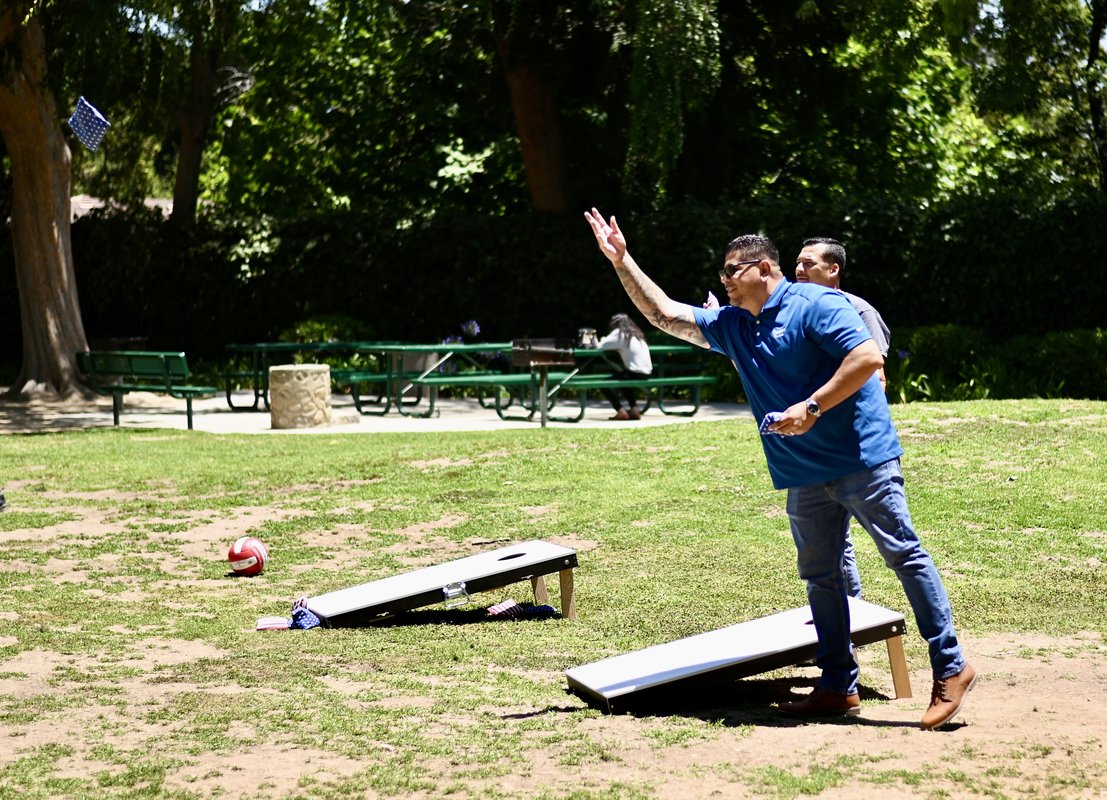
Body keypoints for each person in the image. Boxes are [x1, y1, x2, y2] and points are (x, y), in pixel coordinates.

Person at [584, 207, 976, 730]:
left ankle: (951, 665)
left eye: (731, 271)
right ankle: (839, 684)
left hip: (862, 459)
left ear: (764, 269)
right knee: (821, 576)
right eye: (722, 272)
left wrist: (811, 408)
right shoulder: (734, 325)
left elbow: (865, 360)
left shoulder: (817, 303)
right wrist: (622, 260)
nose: (722, 280)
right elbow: (663, 315)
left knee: (903, 555)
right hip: (803, 472)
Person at [794, 237, 891, 600]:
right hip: (810, 445)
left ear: (834, 270)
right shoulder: (793, 312)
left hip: (855, 447)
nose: (799, 271)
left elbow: (875, 376)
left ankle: (850, 620)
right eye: (797, 264)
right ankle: (841, 622)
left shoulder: (858, 311)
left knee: (897, 548)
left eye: (809, 264)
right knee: (830, 544)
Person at [594, 313, 653, 420]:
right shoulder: (637, 335)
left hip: (634, 373)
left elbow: (600, 346)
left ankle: (621, 411)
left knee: (603, 385)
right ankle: (634, 409)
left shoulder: (620, 333)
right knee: (624, 381)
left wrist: (602, 339)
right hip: (647, 373)